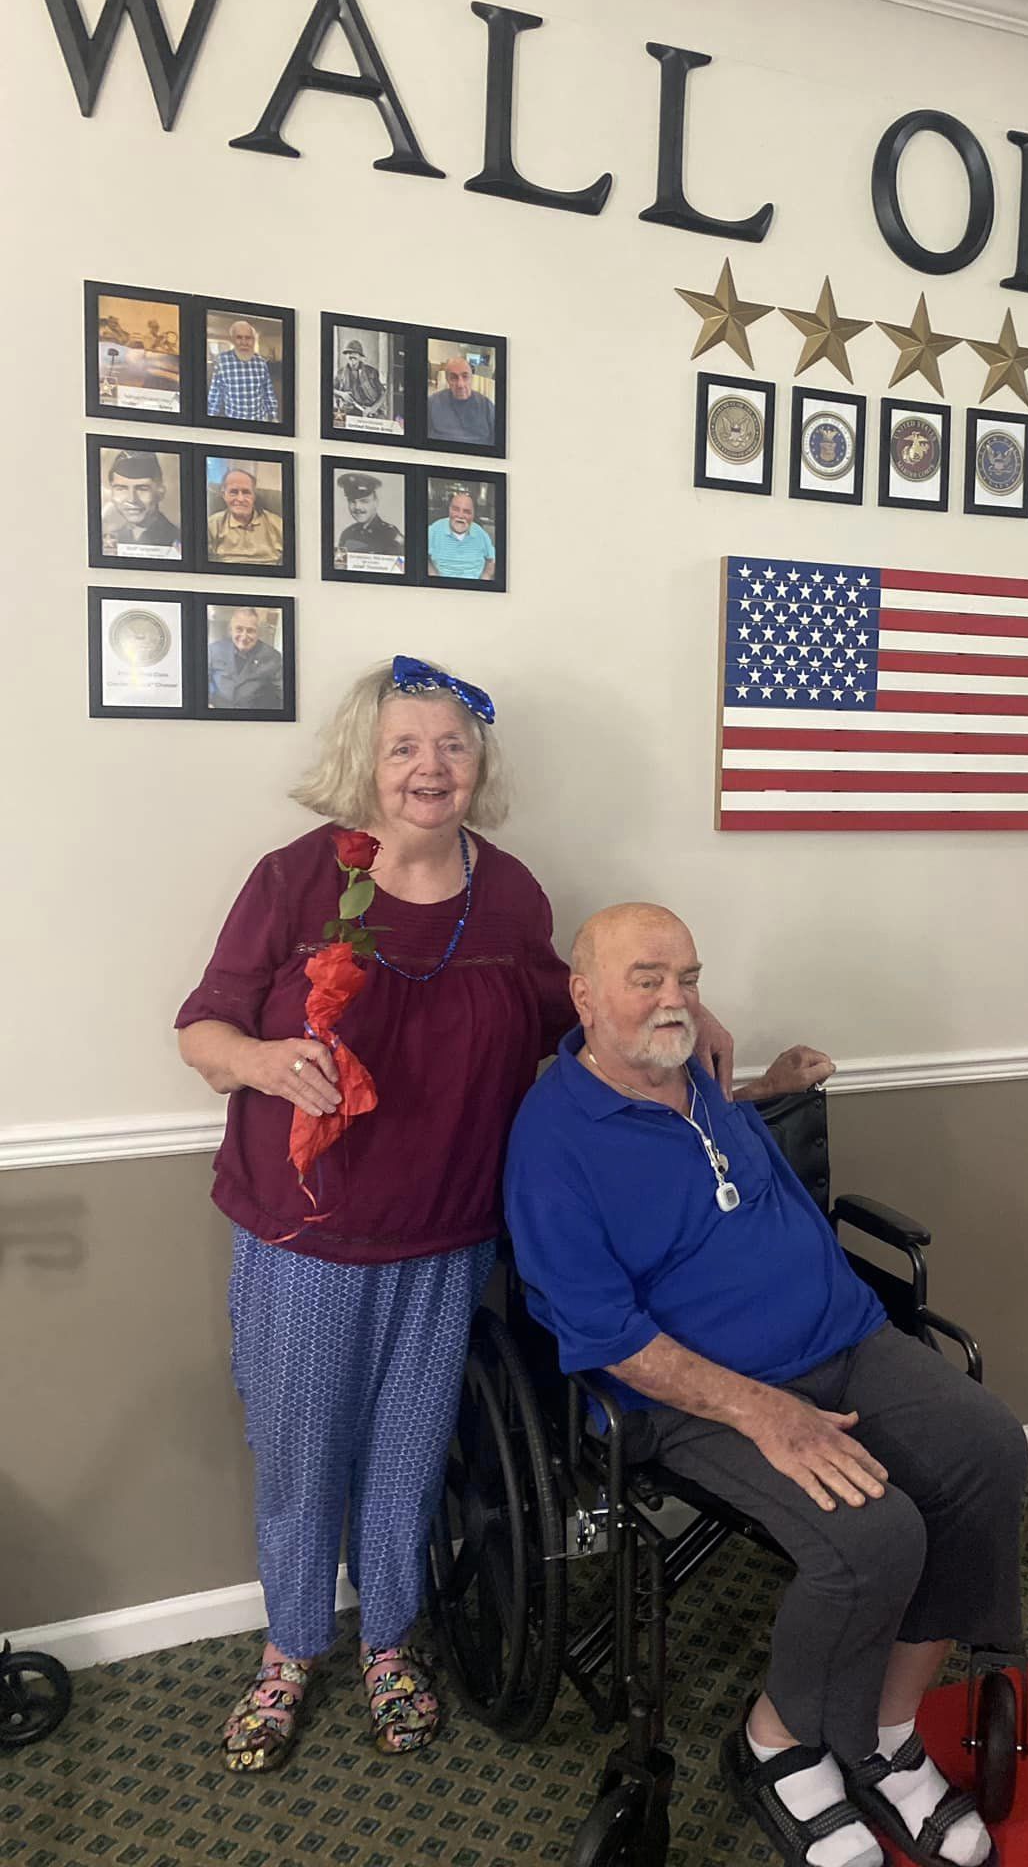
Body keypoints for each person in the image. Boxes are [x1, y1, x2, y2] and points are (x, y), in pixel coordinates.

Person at [175, 663, 805, 1773]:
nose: (431, 767)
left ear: (480, 764)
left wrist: (683, 1001)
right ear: (365, 760)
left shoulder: (508, 891)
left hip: (450, 1228)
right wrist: (269, 1060)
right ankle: (288, 1650)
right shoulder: (294, 877)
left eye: (453, 747)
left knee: (414, 1450)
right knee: (300, 1451)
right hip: (306, 1230)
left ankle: (386, 1641)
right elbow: (203, 1030)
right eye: (407, 745)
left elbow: (576, 1002)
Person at [504, 903, 1028, 1867]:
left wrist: (753, 1087)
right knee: (875, 1531)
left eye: (690, 978)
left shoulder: (697, 1081)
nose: (677, 999)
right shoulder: (554, 1141)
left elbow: (719, 1183)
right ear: (582, 994)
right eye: (648, 978)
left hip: (846, 1340)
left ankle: (886, 1726)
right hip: (694, 1398)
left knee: (988, 1452)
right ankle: (775, 1742)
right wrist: (766, 1410)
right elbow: (605, 1333)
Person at [101, 449, 181, 556]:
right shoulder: (112, 538)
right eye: (121, 489)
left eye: (142, 489)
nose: (132, 499)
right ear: (112, 493)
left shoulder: (177, 538)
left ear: (160, 492)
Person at [207, 607, 285, 710]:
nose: (244, 637)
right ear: (231, 630)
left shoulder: (273, 657)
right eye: (239, 629)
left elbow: (283, 696)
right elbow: (202, 683)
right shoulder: (213, 650)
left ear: (258, 633)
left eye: (250, 630)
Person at [206, 466, 285, 567]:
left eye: (246, 492)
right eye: (233, 492)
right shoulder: (211, 525)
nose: (240, 499)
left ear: (254, 496)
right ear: (224, 495)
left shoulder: (278, 524)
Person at [207, 319, 281, 425]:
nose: (244, 342)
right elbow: (215, 394)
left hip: (259, 421)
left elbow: (268, 392)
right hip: (234, 422)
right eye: (239, 337)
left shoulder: (261, 362)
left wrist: (273, 417)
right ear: (233, 340)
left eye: (248, 338)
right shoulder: (222, 361)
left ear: (253, 340)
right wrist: (209, 420)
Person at [335, 470, 406, 568]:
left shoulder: (391, 535)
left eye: (364, 501)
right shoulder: (347, 534)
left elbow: (400, 571)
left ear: (375, 502)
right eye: (352, 501)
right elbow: (339, 568)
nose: (357, 507)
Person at [426, 352, 496, 447]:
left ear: (471, 378)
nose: (460, 384)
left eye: (465, 376)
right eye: (453, 378)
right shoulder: (432, 402)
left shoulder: (487, 406)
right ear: (447, 380)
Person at [427, 489, 495, 580]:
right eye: (456, 509)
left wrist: (484, 579)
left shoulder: (481, 533)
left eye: (466, 512)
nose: (460, 515)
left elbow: (492, 560)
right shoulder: (433, 530)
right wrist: (433, 578)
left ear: (473, 515)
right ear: (449, 510)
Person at [334, 337, 387, 421]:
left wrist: (373, 409)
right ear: (346, 356)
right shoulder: (340, 373)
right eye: (348, 353)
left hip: (371, 411)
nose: (351, 355)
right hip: (350, 412)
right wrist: (342, 394)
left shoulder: (371, 372)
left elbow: (383, 393)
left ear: (360, 356)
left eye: (355, 353)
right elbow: (331, 389)